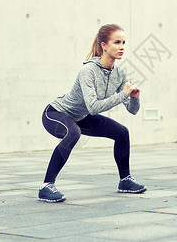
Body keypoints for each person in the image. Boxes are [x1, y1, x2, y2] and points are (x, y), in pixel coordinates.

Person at [38, 23, 147, 203]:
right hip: (56, 114)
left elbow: (133, 111)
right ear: (104, 45)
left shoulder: (119, 73)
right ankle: (46, 186)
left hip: (80, 117)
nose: (122, 47)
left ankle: (125, 181)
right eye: (117, 42)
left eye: (124, 43)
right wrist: (122, 94)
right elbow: (93, 107)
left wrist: (134, 98)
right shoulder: (88, 71)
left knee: (122, 133)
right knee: (74, 133)